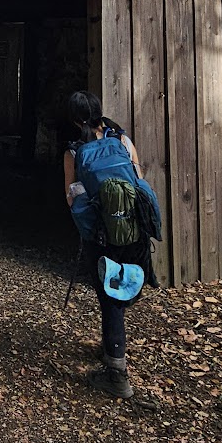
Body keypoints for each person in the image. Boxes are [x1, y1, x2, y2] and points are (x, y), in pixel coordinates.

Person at [62, 89, 152, 398]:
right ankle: (112, 345)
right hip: (134, 229)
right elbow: (139, 180)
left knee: (109, 294)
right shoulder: (122, 141)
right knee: (122, 286)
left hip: (103, 235)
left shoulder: (74, 152)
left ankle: (117, 373)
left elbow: (72, 196)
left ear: (73, 119)